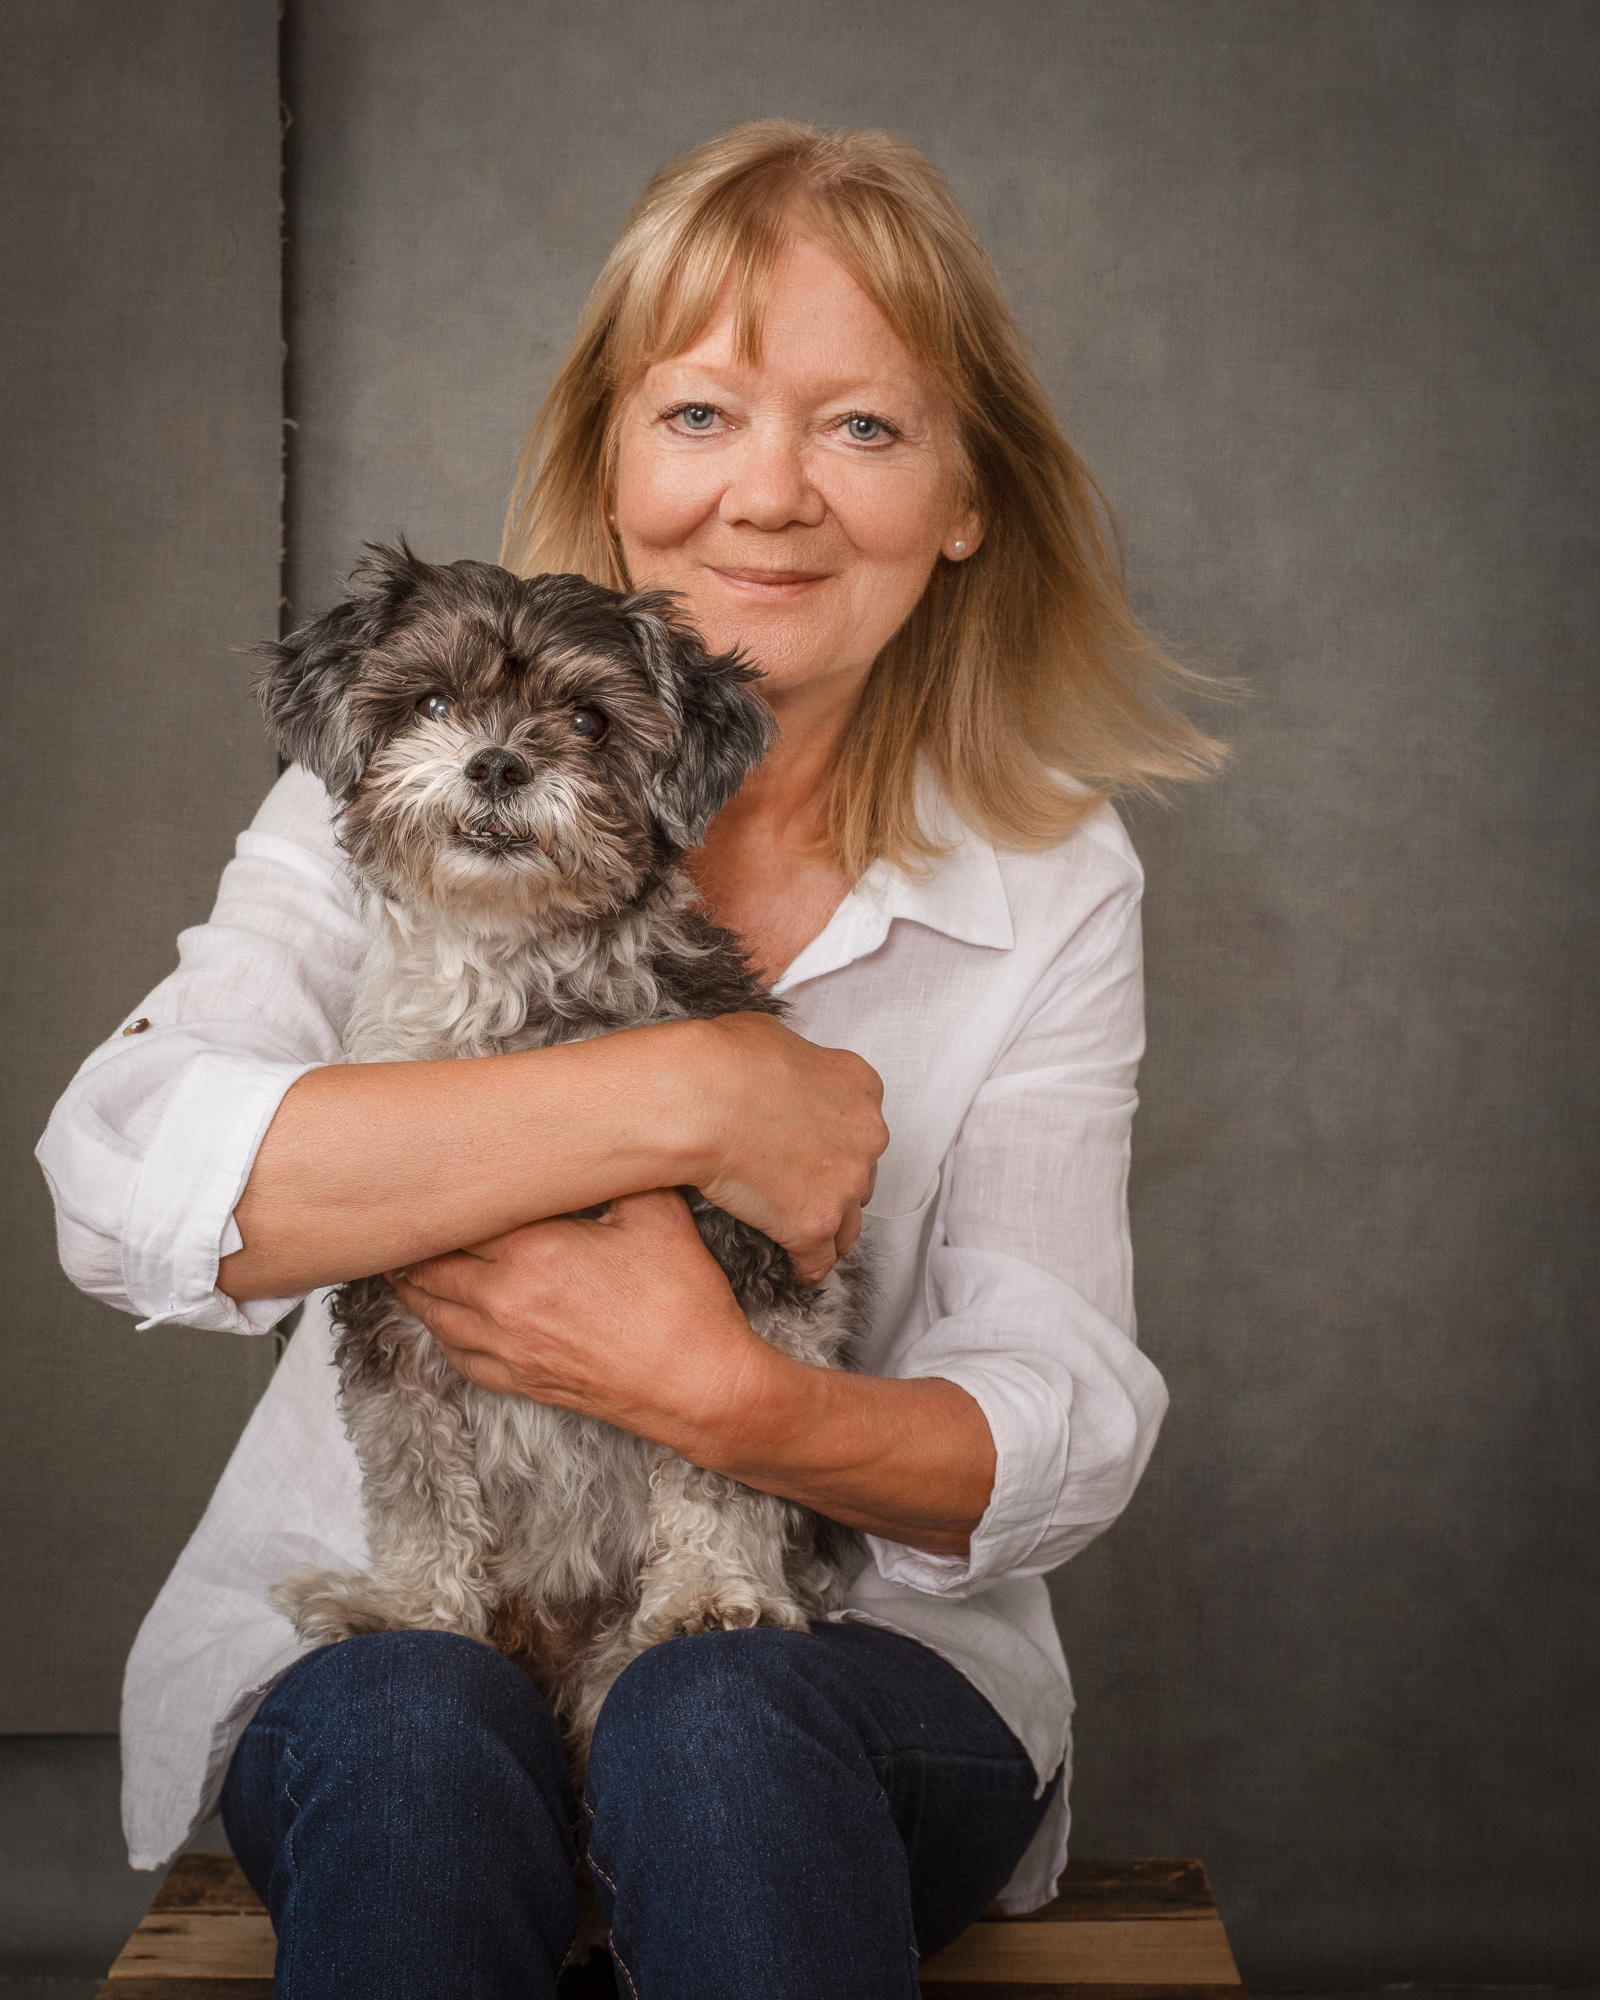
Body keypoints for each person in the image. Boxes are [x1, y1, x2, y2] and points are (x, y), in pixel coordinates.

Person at [38, 121, 1222, 1999]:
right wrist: (699, 1094)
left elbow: (1062, 1420)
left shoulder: (1052, 874)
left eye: (861, 426)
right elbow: (122, 1179)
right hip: (406, 1612)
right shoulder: (364, 797)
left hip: (847, 1650)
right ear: (608, 452)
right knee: (414, 1733)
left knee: (720, 1706)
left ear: (967, 492)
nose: (770, 498)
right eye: (699, 416)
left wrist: (725, 1398)